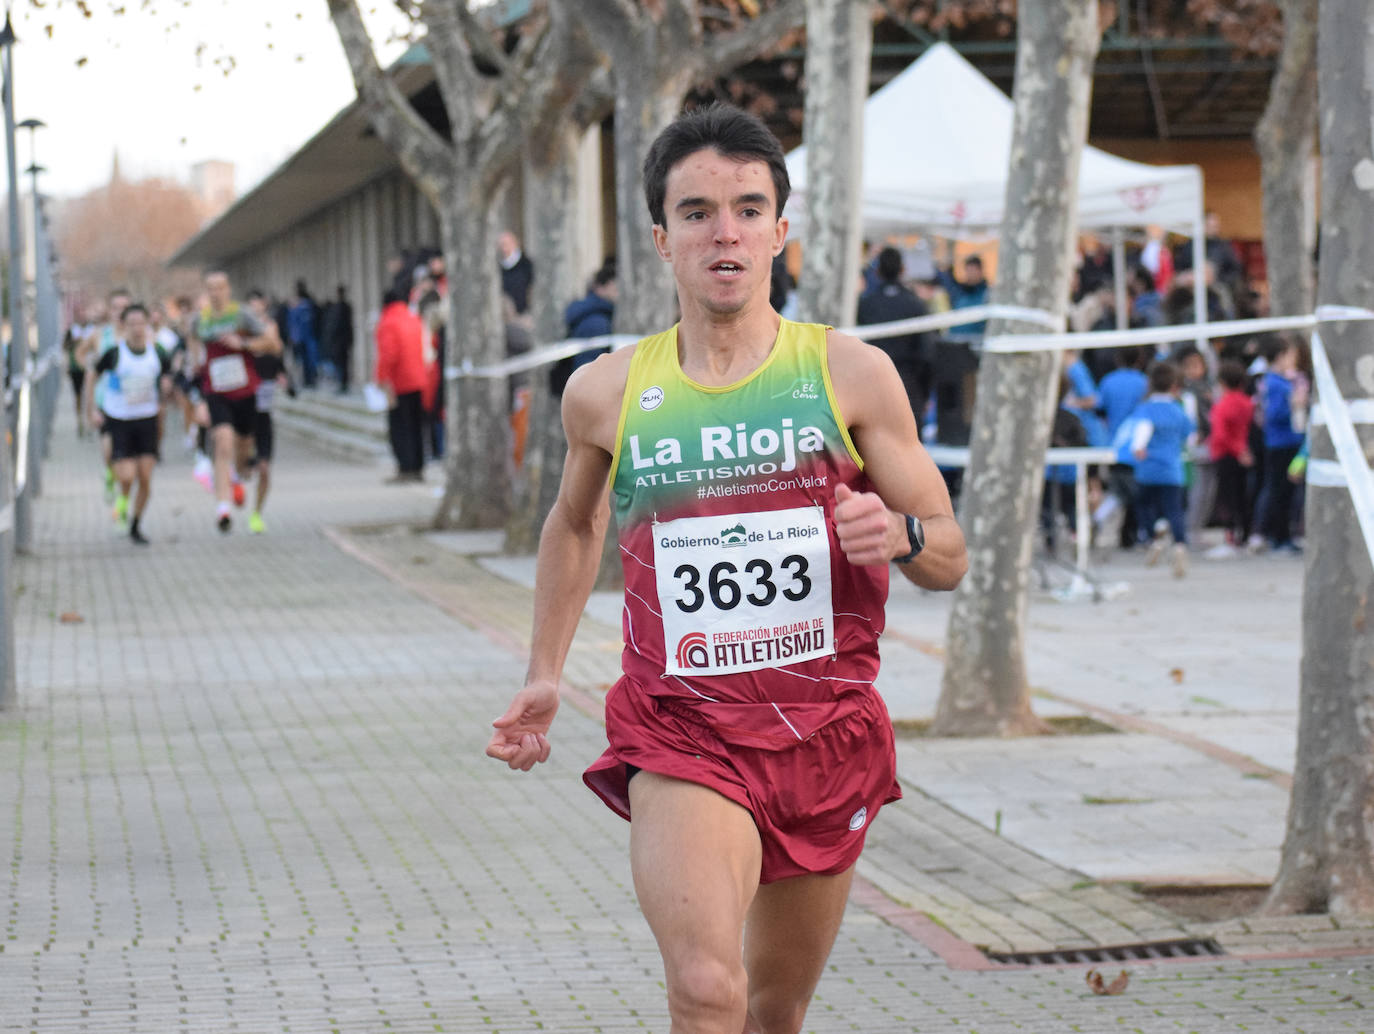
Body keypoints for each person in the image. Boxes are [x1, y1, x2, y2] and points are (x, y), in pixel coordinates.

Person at [485, 103, 967, 1033]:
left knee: (774, 1011)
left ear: (780, 231)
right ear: (662, 239)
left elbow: (947, 552)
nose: (726, 232)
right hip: (683, 730)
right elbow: (575, 524)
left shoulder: (851, 375)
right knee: (708, 992)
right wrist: (545, 673)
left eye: (749, 208)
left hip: (825, 733)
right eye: (698, 212)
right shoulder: (607, 391)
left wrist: (899, 537)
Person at [189, 271, 272, 533]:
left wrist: (243, 342)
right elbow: (192, 340)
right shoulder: (199, 320)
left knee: (243, 451)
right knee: (222, 442)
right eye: (210, 288)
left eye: (220, 288)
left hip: (245, 391)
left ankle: (238, 477)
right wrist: (195, 362)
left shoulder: (241, 314)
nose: (215, 293)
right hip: (216, 391)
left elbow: (269, 341)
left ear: (228, 289)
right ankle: (222, 509)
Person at [82, 304, 171, 545]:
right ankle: (122, 497)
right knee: (127, 476)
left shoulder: (158, 353)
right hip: (119, 419)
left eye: (141, 323)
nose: (137, 328)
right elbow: (92, 375)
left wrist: (165, 393)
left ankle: (135, 524)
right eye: (131, 324)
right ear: (124, 326)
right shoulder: (114, 353)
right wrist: (92, 409)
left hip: (147, 420)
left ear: (147, 325)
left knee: (145, 477)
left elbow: (167, 378)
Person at [1127, 361, 1195, 578]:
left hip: (1148, 469)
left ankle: (1155, 534)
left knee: (1145, 505)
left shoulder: (1145, 409)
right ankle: (1180, 545)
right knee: (1174, 508)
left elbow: (1141, 434)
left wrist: (1138, 448)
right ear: (1174, 385)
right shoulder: (1178, 410)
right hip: (1173, 468)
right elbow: (1190, 436)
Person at [856, 246, 932, 430]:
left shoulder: (865, 304)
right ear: (903, 270)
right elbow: (927, 353)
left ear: (878, 271)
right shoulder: (916, 304)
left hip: (871, 385)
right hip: (907, 385)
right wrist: (924, 393)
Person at [1258, 336, 1308, 553]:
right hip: (1281, 443)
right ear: (1280, 357)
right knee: (1280, 491)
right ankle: (1279, 537)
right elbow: (1274, 414)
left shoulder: (1283, 381)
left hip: (1289, 441)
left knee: (1287, 492)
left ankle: (1284, 536)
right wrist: (1294, 404)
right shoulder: (1274, 383)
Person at [374, 287, 427, 483]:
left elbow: (388, 355)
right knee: (416, 426)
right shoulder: (413, 319)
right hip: (418, 379)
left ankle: (405, 468)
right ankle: (418, 467)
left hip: (398, 383)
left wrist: (381, 380)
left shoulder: (387, 322)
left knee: (399, 427)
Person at [245, 290, 287, 534]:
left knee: (264, 469)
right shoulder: (241, 345)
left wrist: (283, 377)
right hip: (243, 413)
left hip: (264, 415)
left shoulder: (273, 344)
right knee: (243, 467)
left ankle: (256, 514)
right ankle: (232, 490)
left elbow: (279, 361)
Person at [1205, 360, 1255, 559]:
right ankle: (1245, 535)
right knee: (1243, 497)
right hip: (1245, 454)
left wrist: (1236, 450)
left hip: (1225, 455)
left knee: (1226, 498)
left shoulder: (1222, 405)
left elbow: (1220, 435)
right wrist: (1243, 450)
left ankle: (1230, 538)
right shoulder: (1248, 403)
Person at [550, 260, 617, 398]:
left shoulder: (590, 313)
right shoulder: (597, 322)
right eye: (615, 287)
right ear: (601, 287)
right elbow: (587, 365)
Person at [935, 254, 989, 335]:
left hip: (977, 340)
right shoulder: (960, 291)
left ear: (980, 271)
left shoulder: (987, 293)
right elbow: (944, 280)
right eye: (968, 270)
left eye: (973, 270)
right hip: (955, 339)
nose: (970, 274)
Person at [319, 284, 355, 392]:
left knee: (341, 363)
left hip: (339, 341)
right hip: (343, 340)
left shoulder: (339, 308)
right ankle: (343, 383)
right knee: (342, 363)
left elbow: (336, 326)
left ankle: (343, 383)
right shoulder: (344, 307)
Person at [287, 280, 320, 388]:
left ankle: (309, 380)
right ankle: (308, 380)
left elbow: (293, 323)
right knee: (306, 360)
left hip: (305, 337)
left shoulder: (300, 306)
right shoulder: (305, 305)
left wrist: (293, 336)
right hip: (304, 337)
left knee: (307, 360)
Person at [498, 230, 535, 315]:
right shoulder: (499, 267)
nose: (504, 247)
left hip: (525, 313)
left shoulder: (526, 264)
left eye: (507, 244)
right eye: (502, 245)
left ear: (515, 243)